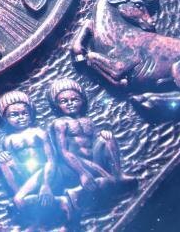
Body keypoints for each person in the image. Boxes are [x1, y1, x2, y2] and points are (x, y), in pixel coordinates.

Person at [46, 79, 136, 208]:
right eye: (64, 101)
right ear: (57, 105)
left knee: (107, 138)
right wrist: (82, 173)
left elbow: (95, 141)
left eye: (74, 99)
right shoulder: (60, 123)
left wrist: (103, 135)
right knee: (108, 180)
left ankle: (118, 174)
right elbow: (63, 152)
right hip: (76, 163)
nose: (70, 103)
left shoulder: (87, 121)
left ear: (82, 100)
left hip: (94, 159)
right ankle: (78, 192)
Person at [0, 90, 55, 208]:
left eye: (24, 113)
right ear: (5, 118)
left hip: (44, 173)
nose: (21, 117)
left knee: (19, 199)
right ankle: (19, 193)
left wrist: (46, 185)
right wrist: (3, 158)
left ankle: (21, 197)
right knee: (2, 161)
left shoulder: (39, 133)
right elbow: (14, 164)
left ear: (31, 114)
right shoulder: (8, 140)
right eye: (14, 115)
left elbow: (51, 160)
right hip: (25, 174)